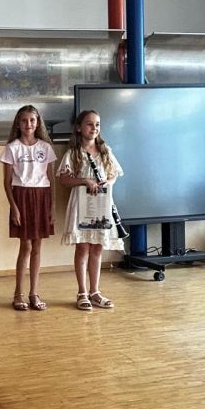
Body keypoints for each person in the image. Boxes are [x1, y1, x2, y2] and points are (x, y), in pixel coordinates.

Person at [58, 109, 123, 311]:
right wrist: (84, 181)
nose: (94, 128)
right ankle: (82, 292)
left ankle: (95, 291)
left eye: (97, 124)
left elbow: (114, 174)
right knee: (83, 247)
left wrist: (108, 182)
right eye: (89, 124)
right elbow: (64, 179)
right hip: (82, 205)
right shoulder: (73, 153)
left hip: (102, 204)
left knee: (97, 247)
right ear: (78, 127)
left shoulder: (105, 151)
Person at [0, 104, 56, 311]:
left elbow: (51, 179)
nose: (28, 124)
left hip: (41, 197)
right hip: (21, 196)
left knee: (37, 247)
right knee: (26, 246)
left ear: (38, 122)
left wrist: (51, 207)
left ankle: (34, 293)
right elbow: (7, 182)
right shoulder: (12, 148)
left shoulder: (45, 147)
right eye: (24, 120)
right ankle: (18, 294)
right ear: (18, 123)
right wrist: (14, 207)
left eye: (32, 120)